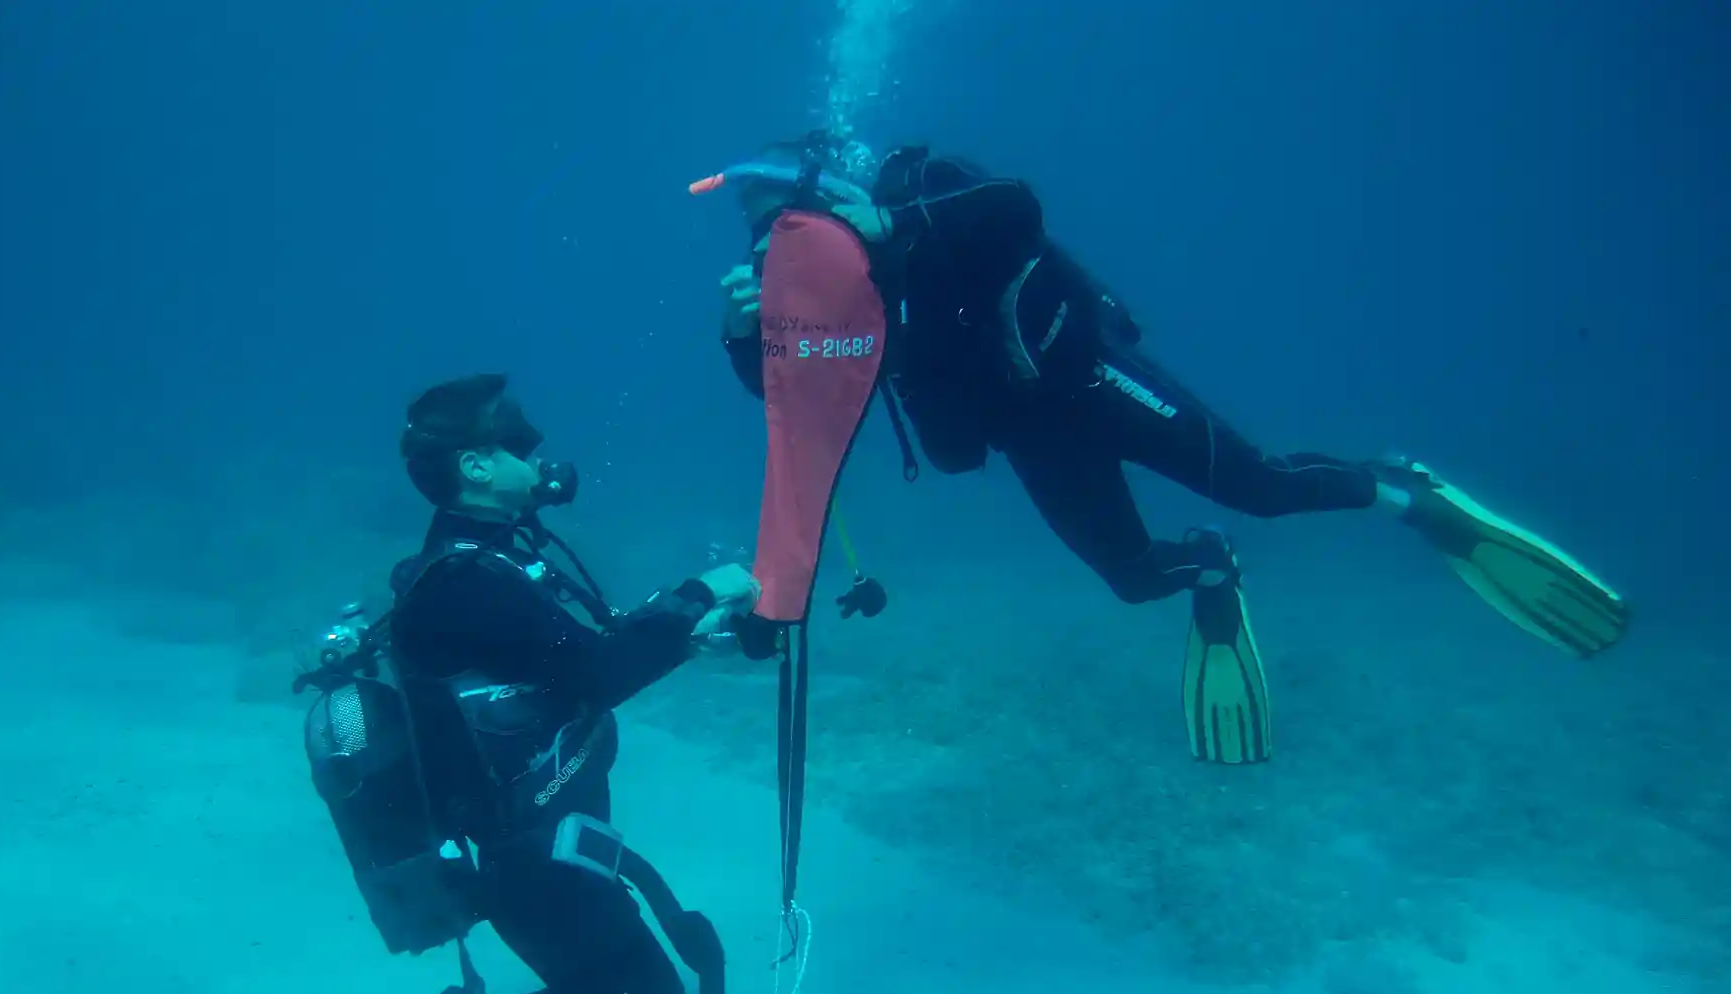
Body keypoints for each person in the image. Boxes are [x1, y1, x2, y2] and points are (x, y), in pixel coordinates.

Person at [697, 133, 1630, 763]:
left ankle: (1406, 494)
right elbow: (801, 407)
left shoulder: (920, 193)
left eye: (783, 208)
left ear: (830, 189)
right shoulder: (805, 296)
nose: (775, 234)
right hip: (1031, 435)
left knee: (1259, 485)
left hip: (1088, 380)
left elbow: (1019, 207)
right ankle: (1212, 571)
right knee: (1137, 576)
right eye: (756, 222)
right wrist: (747, 338)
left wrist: (895, 226)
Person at [240, 374, 764, 994]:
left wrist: (700, 626)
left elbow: (578, 657)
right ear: (475, 466)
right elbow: (599, 667)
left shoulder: (489, 560)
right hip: (532, 866)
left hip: (551, 846)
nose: (539, 452)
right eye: (518, 440)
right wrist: (708, 593)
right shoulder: (469, 583)